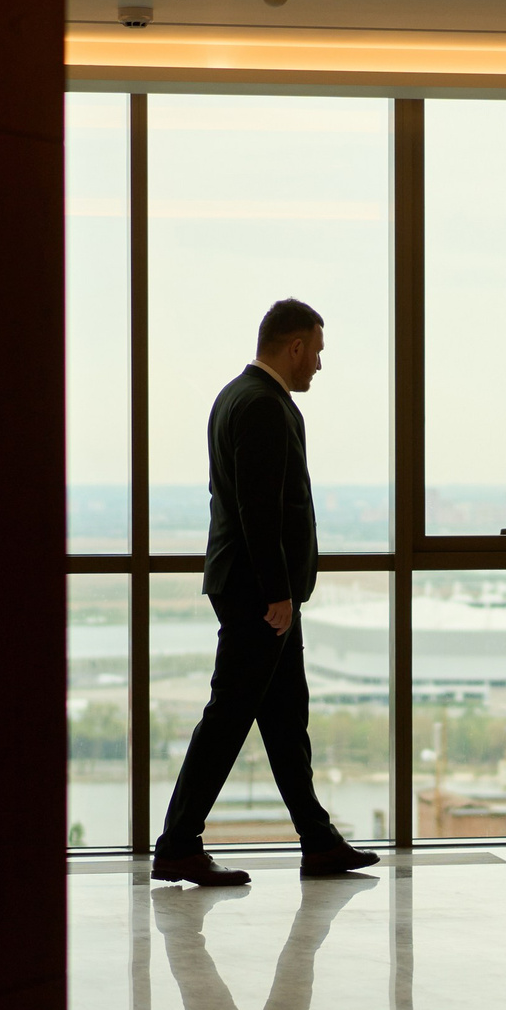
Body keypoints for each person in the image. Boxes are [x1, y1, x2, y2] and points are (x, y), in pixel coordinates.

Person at [153, 299, 380, 886]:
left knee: (284, 716)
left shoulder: (236, 395)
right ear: (295, 347)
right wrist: (279, 592)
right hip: (260, 592)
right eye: (318, 353)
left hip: (256, 587)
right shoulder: (262, 405)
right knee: (230, 715)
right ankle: (177, 844)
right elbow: (260, 508)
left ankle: (318, 840)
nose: (319, 367)